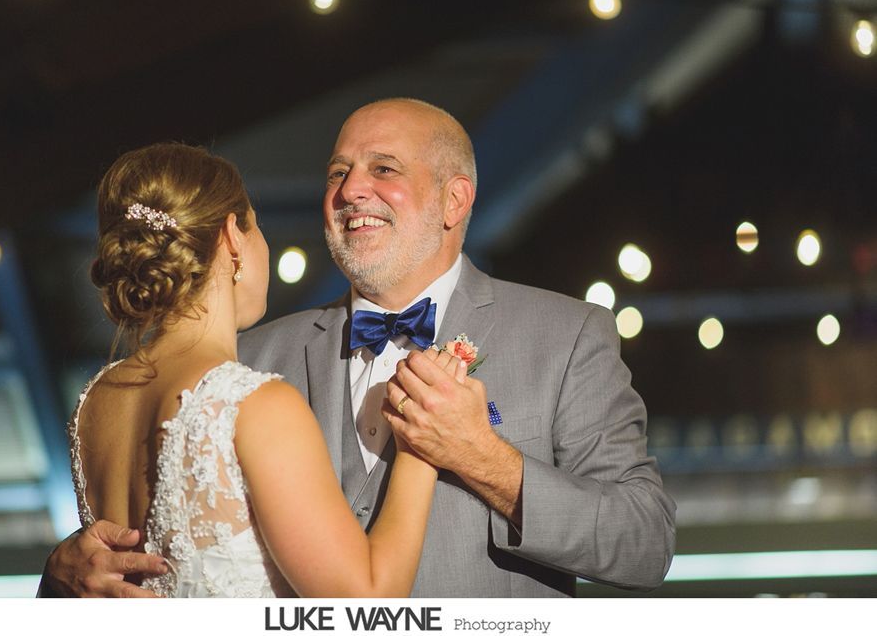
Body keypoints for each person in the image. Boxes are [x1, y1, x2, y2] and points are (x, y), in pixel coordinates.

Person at [43, 99, 676, 598]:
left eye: (383, 169)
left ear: (455, 199)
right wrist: (61, 575)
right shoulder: (245, 364)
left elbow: (646, 543)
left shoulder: (566, 337)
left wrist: (486, 459)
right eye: (338, 172)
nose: (350, 191)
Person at [58, 142, 469, 597]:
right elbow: (366, 605)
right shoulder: (251, 404)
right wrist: (420, 447)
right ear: (233, 236)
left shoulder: (96, 400)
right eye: (257, 227)